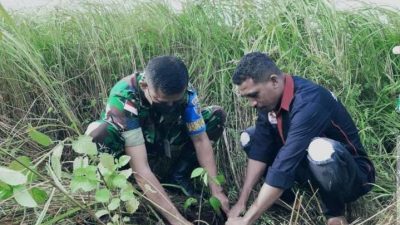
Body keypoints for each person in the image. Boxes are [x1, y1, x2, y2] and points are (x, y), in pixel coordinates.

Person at [226, 52, 375, 225]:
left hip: (353, 175)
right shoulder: (267, 104)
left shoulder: (309, 102)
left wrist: (247, 220)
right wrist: (242, 201)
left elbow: (285, 163)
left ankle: (335, 211)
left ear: (274, 81)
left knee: (320, 149)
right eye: (247, 98)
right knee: (249, 138)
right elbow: (260, 150)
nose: (252, 103)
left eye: (254, 94)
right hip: (308, 167)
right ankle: (290, 202)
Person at [85, 55, 230, 225]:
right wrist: (178, 221)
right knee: (99, 133)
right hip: (132, 154)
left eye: (175, 102)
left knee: (215, 116)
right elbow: (140, 168)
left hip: (162, 140)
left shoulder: (186, 92)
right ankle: (111, 192)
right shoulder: (125, 96)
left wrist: (216, 190)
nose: (170, 107)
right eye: (163, 102)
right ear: (144, 85)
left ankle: (178, 177)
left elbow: (200, 140)